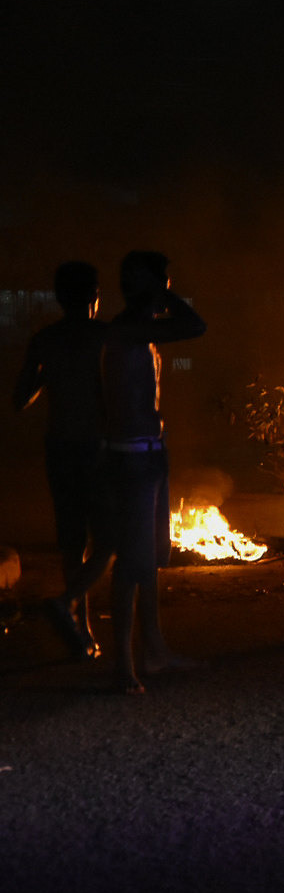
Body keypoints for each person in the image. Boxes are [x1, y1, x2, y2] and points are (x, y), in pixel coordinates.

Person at [100, 252, 206, 693]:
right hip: (131, 459)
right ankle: (123, 666)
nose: (167, 290)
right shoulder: (128, 329)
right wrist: (161, 293)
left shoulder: (141, 333)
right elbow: (195, 325)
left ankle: (154, 651)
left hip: (150, 454)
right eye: (162, 281)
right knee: (132, 564)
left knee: (149, 563)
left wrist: (157, 289)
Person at [14, 261, 113, 659]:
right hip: (97, 448)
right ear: (94, 295)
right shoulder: (106, 336)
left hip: (60, 447)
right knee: (109, 540)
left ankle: (82, 632)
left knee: (72, 544)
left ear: (59, 297)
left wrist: (49, 376)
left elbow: (20, 399)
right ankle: (69, 604)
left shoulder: (45, 339)